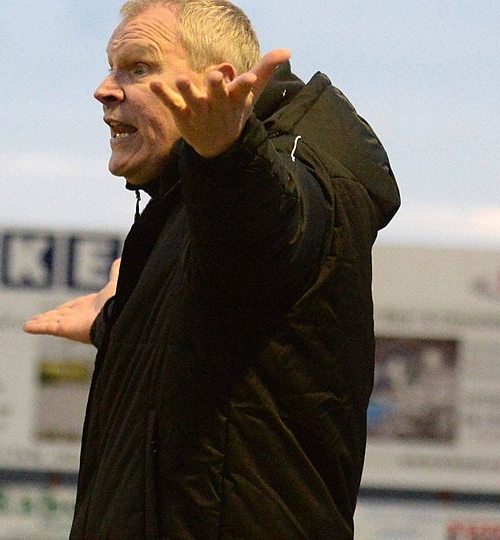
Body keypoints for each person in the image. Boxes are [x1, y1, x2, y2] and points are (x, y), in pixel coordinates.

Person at [23, 1, 400, 538]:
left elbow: (267, 235)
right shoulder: (190, 198)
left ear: (217, 82)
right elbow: (220, 325)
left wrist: (227, 150)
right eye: (111, 67)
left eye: (138, 67)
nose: (104, 89)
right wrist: (116, 321)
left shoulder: (284, 174)